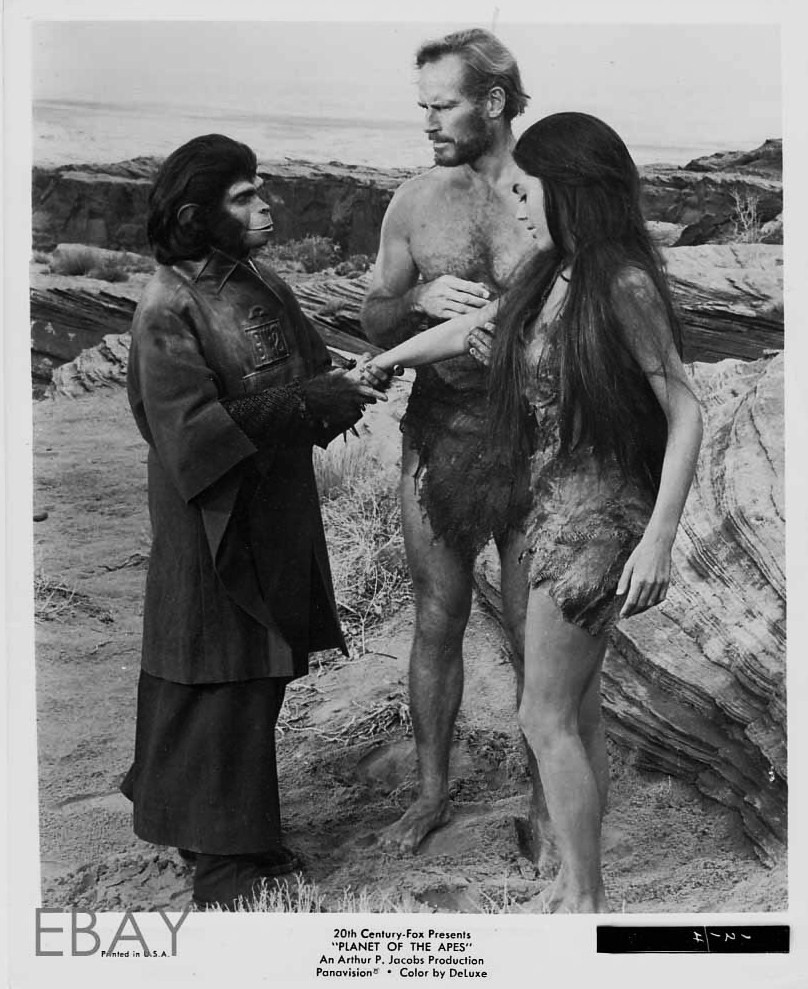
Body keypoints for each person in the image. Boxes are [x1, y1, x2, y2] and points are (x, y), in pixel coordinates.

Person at [358, 112, 703, 912]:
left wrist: (659, 537)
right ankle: (574, 881)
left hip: (597, 519)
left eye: (527, 191)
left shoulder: (621, 284)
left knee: (542, 712)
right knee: (576, 711)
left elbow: (685, 408)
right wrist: (386, 359)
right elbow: (467, 331)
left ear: (570, 191)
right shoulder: (556, 273)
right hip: (553, 503)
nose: (516, 204)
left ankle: (582, 898)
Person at [120, 134, 388, 910]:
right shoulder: (166, 307)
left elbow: (306, 370)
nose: (266, 206)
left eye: (261, 189)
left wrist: (350, 381)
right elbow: (190, 435)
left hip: (271, 508)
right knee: (215, 671)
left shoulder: (259, 280)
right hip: (211, 518)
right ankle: (225, 861)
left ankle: (226, 827)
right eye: (244, 197)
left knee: (256, 673)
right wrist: (307, 402)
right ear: (196, 217)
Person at [360, 27, 547, 860]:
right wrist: (418, 298)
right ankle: (432, 794)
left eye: (444, 105)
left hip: (536, 435)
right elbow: (374, 316)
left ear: (494, 101)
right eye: (423, 106)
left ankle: (547, 804)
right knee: (437, 616)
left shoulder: (549, 196)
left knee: (535, 628)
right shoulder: (414, 202)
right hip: (438, 432)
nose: (428, 121)